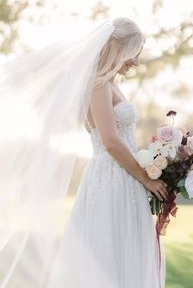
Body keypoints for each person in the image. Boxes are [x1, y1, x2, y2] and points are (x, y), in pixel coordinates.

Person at [0, 17, 167, 288]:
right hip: (111, 175)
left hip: (126, 175)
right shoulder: (98, 84)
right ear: (118, 48)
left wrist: (153, 166)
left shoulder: (112, 84)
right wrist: (146, 178)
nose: (136, 62)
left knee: (127, 247)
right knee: (107, 251)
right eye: (134, 54)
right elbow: (110, 141)